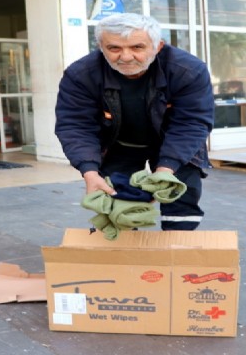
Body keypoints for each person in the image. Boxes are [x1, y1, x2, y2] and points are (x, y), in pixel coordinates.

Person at [55, 12, 214, 231]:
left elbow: (191, 123)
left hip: (174, 142)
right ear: (102, 47)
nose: (126, 57)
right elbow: (75, 125)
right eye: (114, 48)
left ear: (157, 46)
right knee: (116, 204)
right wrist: (89, 171)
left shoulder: (188, 70)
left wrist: (166, 169)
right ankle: (122, 258)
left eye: (137, 47)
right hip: (118, 145)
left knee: (180, 200)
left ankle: (178, 253)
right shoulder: (80, 75)